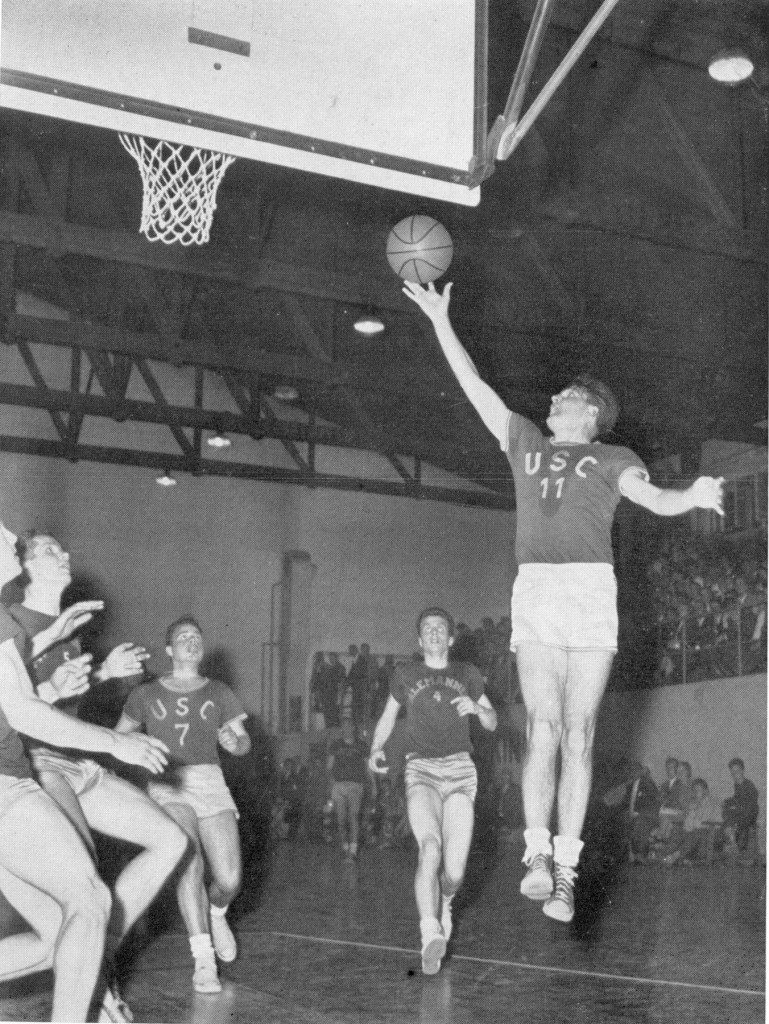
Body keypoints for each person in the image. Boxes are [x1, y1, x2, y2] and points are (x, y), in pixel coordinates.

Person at [404, 279, 724, 922]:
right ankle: (537, 854)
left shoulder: (612, 457)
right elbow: (475, 390)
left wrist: (689, 497)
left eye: (566, 397)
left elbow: (653, 498)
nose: (553, 399)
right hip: (540, 591)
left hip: (589, 591)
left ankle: (567, 871)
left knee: (580, 735)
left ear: (591, 415)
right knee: (544, 729)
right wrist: (441, 321)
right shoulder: (524, 440)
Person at [6, 533, 188, 1015]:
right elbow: (22, 710)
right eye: (47, 549)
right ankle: (100, 991)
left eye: (64, 548)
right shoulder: (12, 621)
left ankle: (93, 963)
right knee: (86, 899)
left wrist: (102, 674)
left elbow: (48, 700)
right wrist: (115, 741)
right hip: (38, 767)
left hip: (69, 760)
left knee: (168, 841)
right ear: (21, 566)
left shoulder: (59, 627)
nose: (63, 554)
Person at [115, 615, 251, 995]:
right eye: (183, 637)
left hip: (210, 780)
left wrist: (233, 743)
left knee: (229, 879)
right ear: (169, 650)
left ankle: (217, 912)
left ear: (202, 648)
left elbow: (243, 743)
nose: (191, 641)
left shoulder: (220, 691)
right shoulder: (144, 694)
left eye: (197, 636)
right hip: (169, 783)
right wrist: (136, 755)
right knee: (189, 858)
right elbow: (116, 739)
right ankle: (203, 960)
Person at [368, 607, 497, 975]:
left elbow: (491, 722)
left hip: (460, 771)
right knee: (430, 847)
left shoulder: (467, 674)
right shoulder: (406, 674)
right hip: (420, 768)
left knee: (453, 873)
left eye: (441, 628)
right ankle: (429, 933)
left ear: (451, 638)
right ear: (419, 640)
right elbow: (388, 717)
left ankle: (445, 902)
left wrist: (477, 707)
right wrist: (376, 748)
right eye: (427, 628)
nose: (435, 633)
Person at [327, 717, 368, 860]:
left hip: (355, 785)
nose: (346, 729)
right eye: (343, 727)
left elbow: (367, 767)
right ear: (341, 729)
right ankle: (345, 846)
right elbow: (329, 766)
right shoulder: (336, 745)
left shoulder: (361, 745)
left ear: (353, 728)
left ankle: (353, 849)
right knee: (340, 819)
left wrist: (372, 784)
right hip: (339, 785)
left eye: (349, 726)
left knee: (353, 816)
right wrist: (332, 784)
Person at [662, 778, 719, 866]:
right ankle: (666, 856)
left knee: (697, 832)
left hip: (709, 834)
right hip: (693, 833)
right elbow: (687, 825)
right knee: (677, 829)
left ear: (705, 791)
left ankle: (675, 856)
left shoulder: (711, 803)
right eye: (694, 790)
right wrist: (691, 813)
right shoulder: (692, 804)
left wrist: (692, 816)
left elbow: (702, 824)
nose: (696, 792)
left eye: (699, 789)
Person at [721, 757, 759, 857]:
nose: (734, 774)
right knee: (726, 814)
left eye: (737, 770)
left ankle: (735, 845)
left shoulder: (749, 785)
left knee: (730, 818)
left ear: (742, 770)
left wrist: (735, 808)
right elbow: (735, 798)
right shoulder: (737, 785)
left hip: (748, 815)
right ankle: (733, 843)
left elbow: (750, 806)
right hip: (740, 815)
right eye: (732, 772)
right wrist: (726, 802)